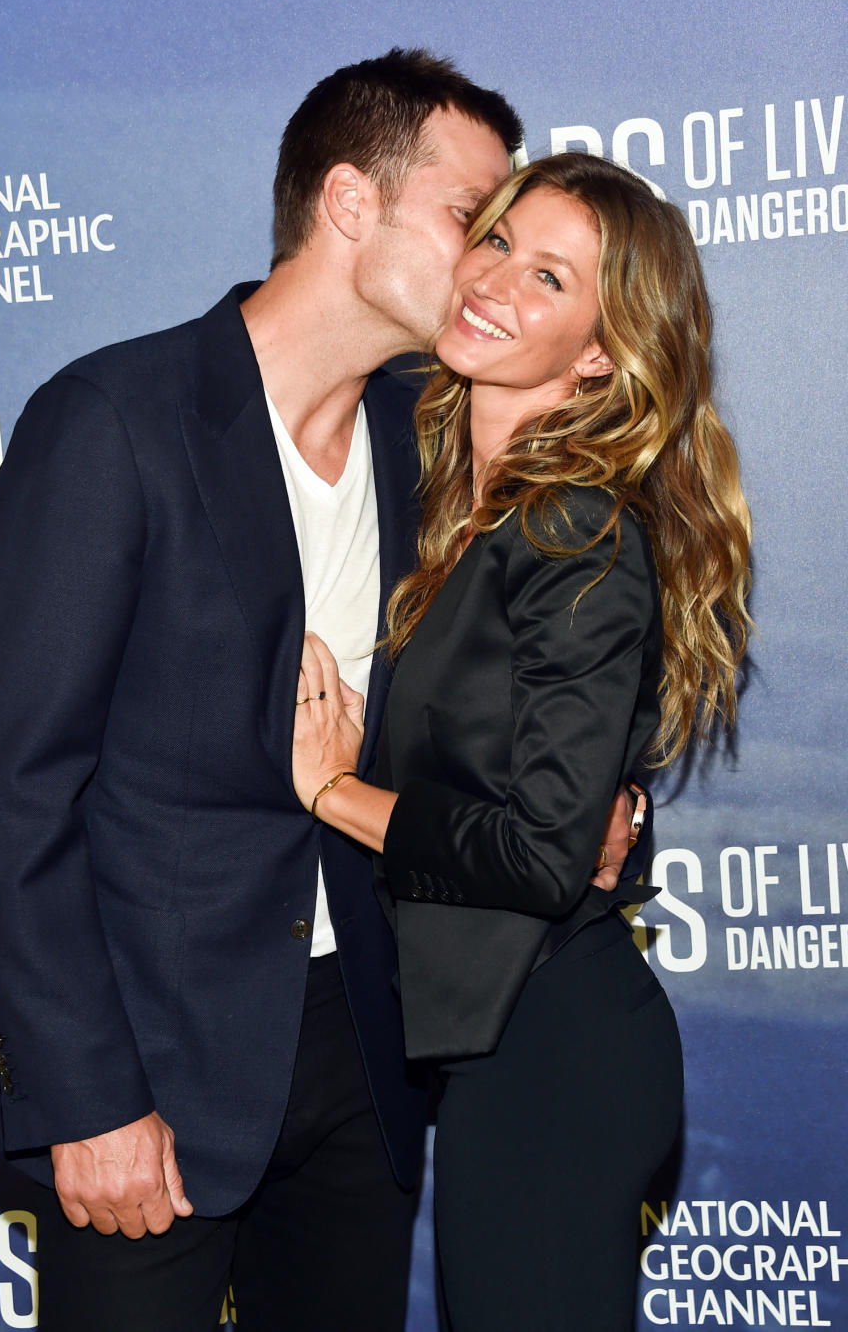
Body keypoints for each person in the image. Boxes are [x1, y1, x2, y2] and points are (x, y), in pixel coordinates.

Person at [0, 48, 524, 1332]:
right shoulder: (117, 418)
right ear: (349, 202)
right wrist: (84, 1097)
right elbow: (10, 792)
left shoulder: (427, 436)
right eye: (468, 220)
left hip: (364, 1061)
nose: (489, 266)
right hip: (145, 1073)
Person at [290, 151, 752, 1331]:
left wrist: (336, 790)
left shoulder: (575, 526)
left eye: (549, 276)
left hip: (553, 1053)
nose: (495, 280)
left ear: (601, 350)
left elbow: (545, 855)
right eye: (495, 241)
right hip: (501, 1044)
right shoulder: (460, 503)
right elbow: (552, 797)